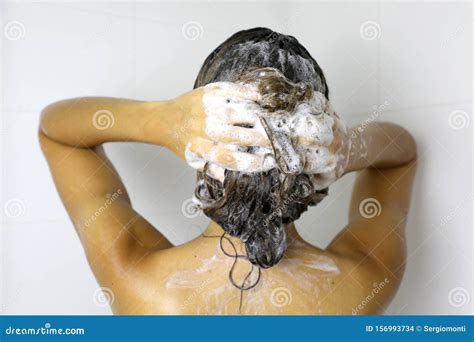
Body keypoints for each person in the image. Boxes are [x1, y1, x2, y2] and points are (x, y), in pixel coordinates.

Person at [39, 28, 417, 314]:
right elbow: (402, 153)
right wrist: (347, 149)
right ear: (319, 141)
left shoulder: (138, 281)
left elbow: (56, 132)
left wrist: (161, 120)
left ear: (200, 137)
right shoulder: (360, 284)